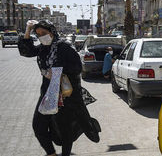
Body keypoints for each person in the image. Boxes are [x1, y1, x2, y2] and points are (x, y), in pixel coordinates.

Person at [18, 20, 100, 156]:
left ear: (52, 32)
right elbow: (26, 51)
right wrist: (28, 29)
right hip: (48, 93)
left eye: (44, 33)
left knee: (65, 128)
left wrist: (58, 72)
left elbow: (77, 67)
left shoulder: (64, 47)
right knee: (38, 126)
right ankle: (51, 153)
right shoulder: (43, 48)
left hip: (65, 95)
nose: (41, 37)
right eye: (38, 35)